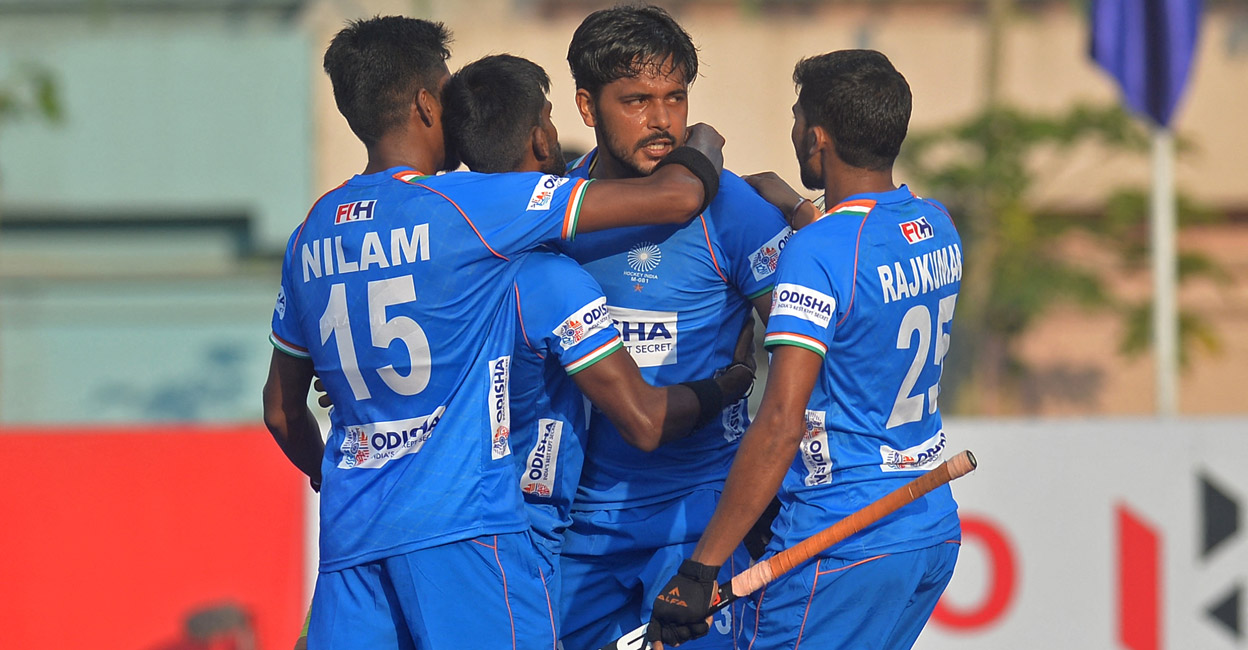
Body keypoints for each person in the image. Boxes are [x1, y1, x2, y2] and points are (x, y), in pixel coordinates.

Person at [261, 16, 728, 650]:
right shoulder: (470, 206)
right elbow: (675, 199)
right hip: (465, 529)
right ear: (429, 104)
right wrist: (703, 143)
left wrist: (337, 476)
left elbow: (283, 411)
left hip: (350, 539)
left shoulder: (311, 232)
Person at [648, 50, 963, 650]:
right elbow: (866, 264)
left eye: (796, 121)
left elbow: (779, 422)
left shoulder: (815, 253)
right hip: (926, 527)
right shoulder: (939, 223)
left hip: (841, 536)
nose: (793, 133)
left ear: (816, 139)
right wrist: (800, 211)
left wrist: (701, 568)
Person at [555, 5, 794, 649]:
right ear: (587, 106)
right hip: (577, 525)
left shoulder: (734, 209)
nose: (662, 121)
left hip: (699, 524)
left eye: (674, 98)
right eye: (636, 100)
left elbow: (811, 360)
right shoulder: (553, 211)